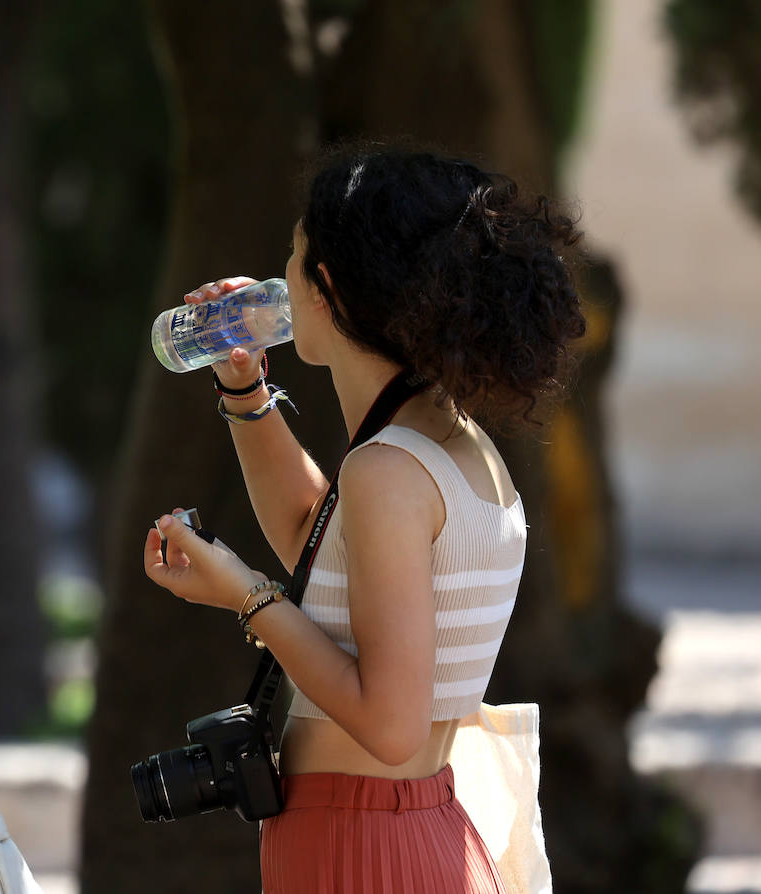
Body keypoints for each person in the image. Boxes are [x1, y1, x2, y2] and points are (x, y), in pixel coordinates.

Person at [145, 147, 585, 893]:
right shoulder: (444, 442)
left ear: (327, 288)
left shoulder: (387, 470)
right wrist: (244, 384)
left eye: (291, 255)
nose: (275, 280)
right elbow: (323, 544)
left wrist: (247, 595)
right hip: (414, 826)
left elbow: (388, 727)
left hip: (360, 838)